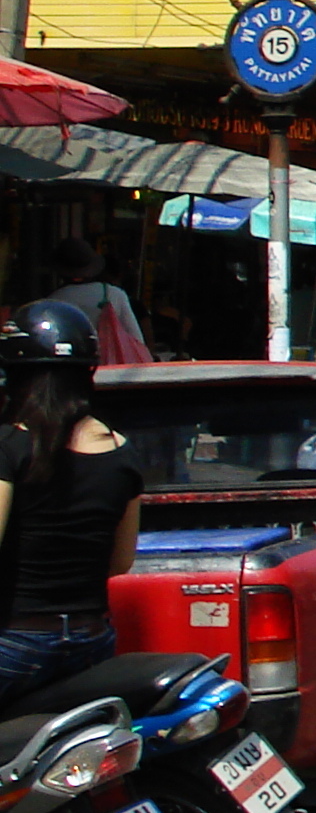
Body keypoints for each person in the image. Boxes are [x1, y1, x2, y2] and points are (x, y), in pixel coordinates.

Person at [0, 301, 144, 707]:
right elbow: (120, 561)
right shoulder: (120, 451)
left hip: (16, 643)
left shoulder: (10, 447)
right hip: (91, 641)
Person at [44, 235, 147, 365]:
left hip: (73, 369)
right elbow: (137, 339)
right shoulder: (113, 294)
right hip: (111, 371)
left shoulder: (54, 300)